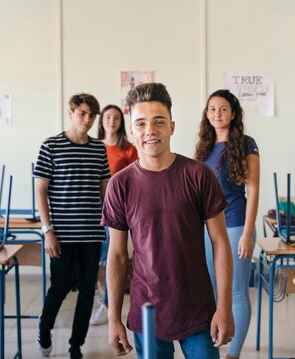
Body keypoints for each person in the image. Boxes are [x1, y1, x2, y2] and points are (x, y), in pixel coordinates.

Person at [102, 82, 235, 359]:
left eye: (158, 121)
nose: (150, 130)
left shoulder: (198, 176)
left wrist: (225, 306)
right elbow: (116, 256)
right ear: (131, 131)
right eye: (140, 123)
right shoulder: (120, 185)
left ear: (172, 127)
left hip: (197, 310)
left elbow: (221, 243)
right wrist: (114, 317)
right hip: (146, 312)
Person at [34, 93, 111, 359]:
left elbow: (105, 192)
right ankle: (44, 330)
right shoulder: (51, 146)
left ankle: (76, 345)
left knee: (88, 291)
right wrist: (47, 231)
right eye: (82, 114)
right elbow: (40, 190)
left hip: (91, 233)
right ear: (71, 113)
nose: (87, 120)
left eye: (92, 116)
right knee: (60, 288)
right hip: (62, 234)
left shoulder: (98, 149)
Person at [194, 89, 260, 359]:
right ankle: (215, 346)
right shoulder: (204, 147)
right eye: (212, 109)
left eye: (222, 109)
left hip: (234, 225)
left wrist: (247, 233)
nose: (217, 114)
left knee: (235, 292)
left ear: (233, 113)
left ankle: (234, 353)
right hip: (208, 229)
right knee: (213, 291)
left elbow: (253, 189)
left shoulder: (246, 143)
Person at [90, 104, 138, 326]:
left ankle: (109, 304)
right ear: (102, 121)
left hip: (118, 209)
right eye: (108, 117)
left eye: (116, 117)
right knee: (94, 257)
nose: (111, 121)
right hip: (92, 208)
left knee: (111, 255)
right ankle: (96, 298)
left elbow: (135, 182)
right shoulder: (92, 147)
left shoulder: (128, 149)